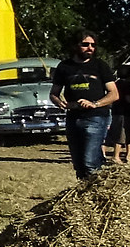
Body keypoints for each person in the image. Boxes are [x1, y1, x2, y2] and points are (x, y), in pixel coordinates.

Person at [51, 33, 121, 179]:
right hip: (73, 118)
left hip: (96, 117)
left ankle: (99, 191)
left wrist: (94, 104)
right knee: (79, 163)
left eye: (93, 45)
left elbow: (114, 94)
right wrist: (60, 103)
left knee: (90, 161)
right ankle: (84, 195)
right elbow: (54, 93)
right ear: (75, 45)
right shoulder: (64, 67)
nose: (90, 48)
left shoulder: (100, 65)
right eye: (85, 44)